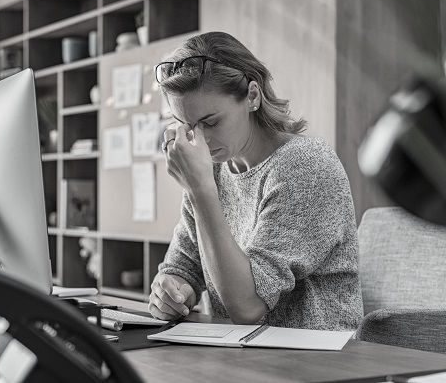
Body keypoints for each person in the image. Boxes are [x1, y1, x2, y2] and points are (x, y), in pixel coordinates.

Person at [149, 31, 363, 330]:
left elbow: (247, 306)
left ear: (252, 96)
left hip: (313, 361)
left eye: (211, 122)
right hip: (237, 356)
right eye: (187, 125)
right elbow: (184, 265)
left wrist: (200, 189)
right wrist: (171, 290)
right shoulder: (212, 169)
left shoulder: (305, 165)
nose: (199, 139)